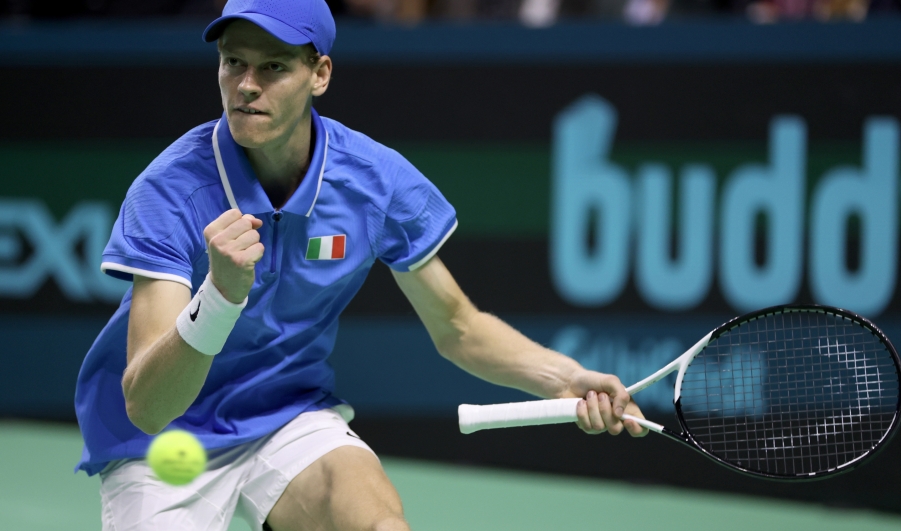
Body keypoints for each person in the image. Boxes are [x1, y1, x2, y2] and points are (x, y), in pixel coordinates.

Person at [73, 1, 647, 529]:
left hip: (286, 418)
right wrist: (219, 300)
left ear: (319, 74)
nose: (246, 86)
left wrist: (568, 379)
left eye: (273, 67)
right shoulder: (170, 189)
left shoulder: (373, 181)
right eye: (232, 63)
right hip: (158, 443)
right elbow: (147, 407)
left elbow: (460, 328)